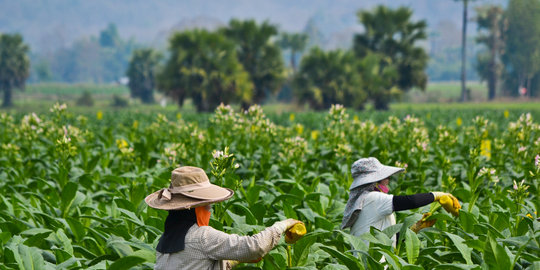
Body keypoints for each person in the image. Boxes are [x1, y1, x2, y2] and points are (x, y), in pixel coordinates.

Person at [145, 166, 301, 270]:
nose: (209, 212)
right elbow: (255, 247)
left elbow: (195, 262)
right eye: (207, 206)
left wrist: (234, 259)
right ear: (194, 209)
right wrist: (283, 225)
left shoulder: (165, 241)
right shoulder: (202, 236)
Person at [341, 157, 459, 245]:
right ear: (373, 181)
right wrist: (438, 196)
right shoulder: (373, 198)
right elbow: (411, 201)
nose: (388, 179)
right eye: (385, 177)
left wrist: (414, 229)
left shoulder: (363, 201)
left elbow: (387, 240)